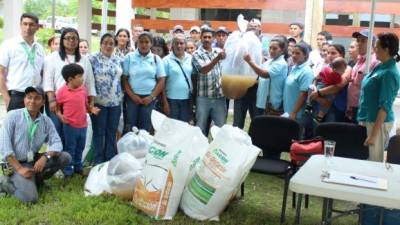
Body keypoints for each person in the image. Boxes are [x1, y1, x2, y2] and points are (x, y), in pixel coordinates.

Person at [0, 87, 71, 203]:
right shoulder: (12, 116)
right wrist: (19, 168)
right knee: (30, 199)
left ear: (43, 102)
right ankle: (4, 182)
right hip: (14, 163)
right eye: (29, 97)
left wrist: (45, 157)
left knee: (65, 157)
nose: (32, 101)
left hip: (32, 161)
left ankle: (36, 180)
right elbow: (4, 147)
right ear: (24, 100)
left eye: (37, 98)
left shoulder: (46, 121)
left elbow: (57, 143)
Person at [43, 28, 96, 140]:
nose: (71, 41)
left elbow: (89, 82)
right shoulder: (52, 58)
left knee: (73, 134)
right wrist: (52, 100)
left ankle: (71, 157)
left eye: (74, 38)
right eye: (68, 38)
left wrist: (91, 102)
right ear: (62, 40)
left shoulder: (84, 60)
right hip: (57, 103)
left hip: (76, 105)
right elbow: (48, 81)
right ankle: (57, 157)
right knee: (57, 132)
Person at [358, 32, 400, 162]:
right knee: (367, 159)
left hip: (378, 123)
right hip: (368, 118)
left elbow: (385, 106)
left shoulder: (389, 73)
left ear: (386, 49)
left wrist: (373, 135)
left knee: (374, 161)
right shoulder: (380, 66)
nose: (374, 49)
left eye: (376, 47)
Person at [56, 64, 99, 178]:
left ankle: (78, 167)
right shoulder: (61, 92)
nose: (82, 79)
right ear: (70, 79)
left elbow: (85, 105)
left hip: (83, 125)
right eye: (79, 76)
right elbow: (57, 108)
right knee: (70, 149)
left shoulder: (83, 90)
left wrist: (91, 109)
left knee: (80, 147)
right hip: (70, 126)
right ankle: (68, 171)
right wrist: (60, 116)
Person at [89, 33, 123, 165]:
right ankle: (98, 162)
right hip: (99, 102)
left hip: (115, 102)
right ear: (100, 44)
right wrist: (90, 103)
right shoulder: (92, 59)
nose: (108, 46)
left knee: (112, 132)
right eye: (105, 43)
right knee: (99, 132)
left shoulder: (118, 59)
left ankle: (110, 160)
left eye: (111, 43)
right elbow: (89, 81)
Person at [0, 13, 45, 111]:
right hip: (17, 96)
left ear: (37, 27)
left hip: (36, 95)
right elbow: (1, 73)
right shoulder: (9, 45)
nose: (28, 27)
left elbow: (42, 72)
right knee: (17, 126)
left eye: (31, 24)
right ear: (20, 25)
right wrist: (7, 99)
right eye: (25, 24)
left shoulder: (39, 48)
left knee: (36, 126)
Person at [122, 32, 166, 132]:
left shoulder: (156, 59)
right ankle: (130, 147)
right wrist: (133, 96)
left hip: (149, 99)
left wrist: (151, 97)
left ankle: (144, 147)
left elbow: (162, 80)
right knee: (130, 127)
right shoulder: (129, 57)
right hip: (132, 98)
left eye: (147, 42)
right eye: (141, 42)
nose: (144, 45)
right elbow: (124, 79)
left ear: (151, 44)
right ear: (137, 43)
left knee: (145, 128)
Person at [192, 27, 227, 135]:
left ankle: (217, 151)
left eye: (209, 37)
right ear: (201, 38)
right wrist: (217, 59)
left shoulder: (219, 51)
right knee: (200, 128)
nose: (207, 39)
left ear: (213, 39)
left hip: (219, 97)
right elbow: (203, 70)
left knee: (221, 129)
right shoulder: (196, 54)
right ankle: (199, 151)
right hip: (203, 98)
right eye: (205, 37)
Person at [244, 35, 288, 116]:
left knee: (269, 127)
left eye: (275, 48)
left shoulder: (281, 64)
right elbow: (259, 75)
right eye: (270, 48)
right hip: (262, 102)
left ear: (282, 50)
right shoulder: (269, 62)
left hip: (272, 104)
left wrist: (250, 61)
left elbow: (264, 74)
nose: (271, 51)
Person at [347, 29, 380, 123]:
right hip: (353, 107)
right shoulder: (360, 59)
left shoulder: (374, 61)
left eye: (363, 41)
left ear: (373, 43)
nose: (359, 43)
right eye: (358, 40)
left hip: (363, 109)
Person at [162, 34, 193, 122]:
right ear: (172, 45)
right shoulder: (166, 60)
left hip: (187, 100)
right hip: (171, 100)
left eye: (181, 43)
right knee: (172, 128)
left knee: (184, 127)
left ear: (185, 45)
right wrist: (165, 103)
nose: (179, 46)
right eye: (176, 43)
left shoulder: (191, 58)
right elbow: (162, 83)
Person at [306, 57, 347, 122]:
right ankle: (320, 116)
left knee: (310, 88)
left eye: (333, 53)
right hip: (327, 90)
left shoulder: (326, 69)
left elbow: (318, 77)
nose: (344, 72)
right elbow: (339, 85)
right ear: (335, 69)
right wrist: (347, 80)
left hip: (320, 86)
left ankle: (308, 104)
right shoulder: (337, 76)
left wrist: (316, 92)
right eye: (343, 71)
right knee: (328, 100)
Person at [283, 43, 314, 124]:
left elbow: (303, 94)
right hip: (288, 111)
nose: (294, 55)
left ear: (305, 55)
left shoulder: (306, 71)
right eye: (293, 53)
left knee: (295, 136)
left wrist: (294, 112)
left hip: (297, 114)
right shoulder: (294, 68)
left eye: (297, 53)